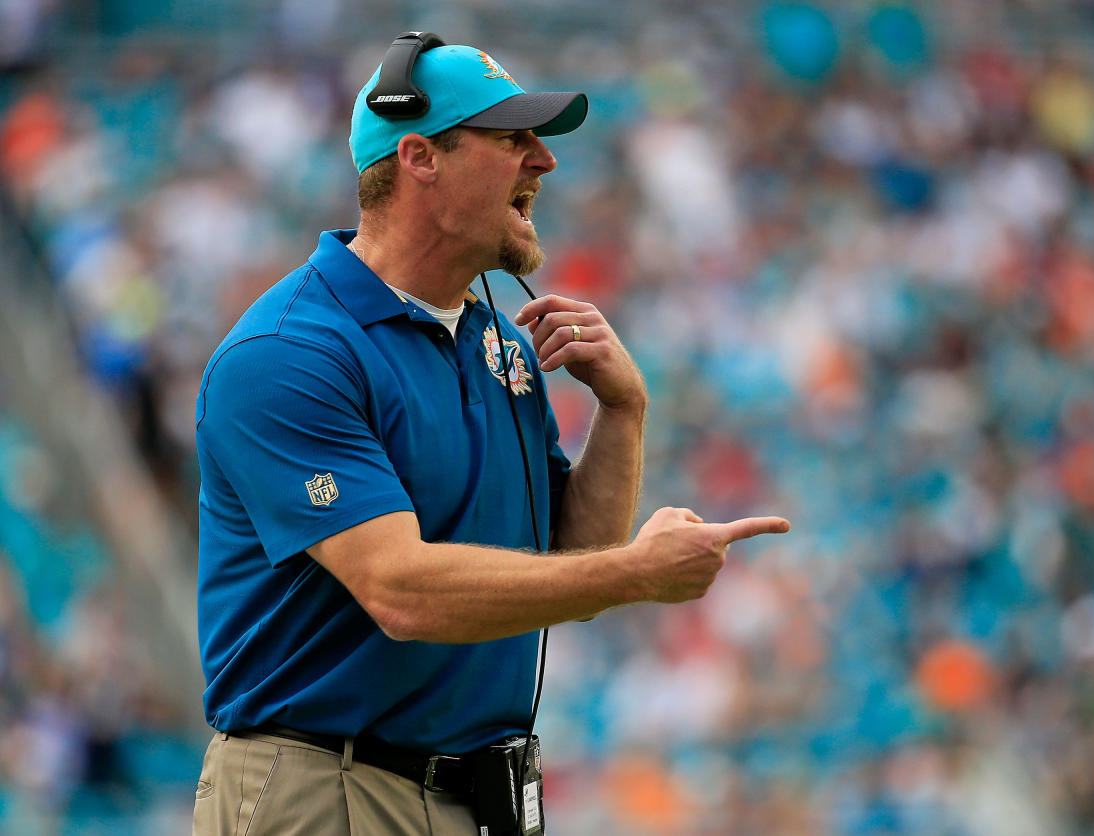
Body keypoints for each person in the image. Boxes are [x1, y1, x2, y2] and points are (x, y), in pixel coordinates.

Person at [192, 34, 789, 836]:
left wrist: (623, 414)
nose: (543, 161)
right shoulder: (290, 353)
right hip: (327, 787)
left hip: (468, 797)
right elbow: (399, 590)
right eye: (512, 139)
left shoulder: (497, 341)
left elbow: (573, 562)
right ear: (419, 158)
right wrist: (638, 575)